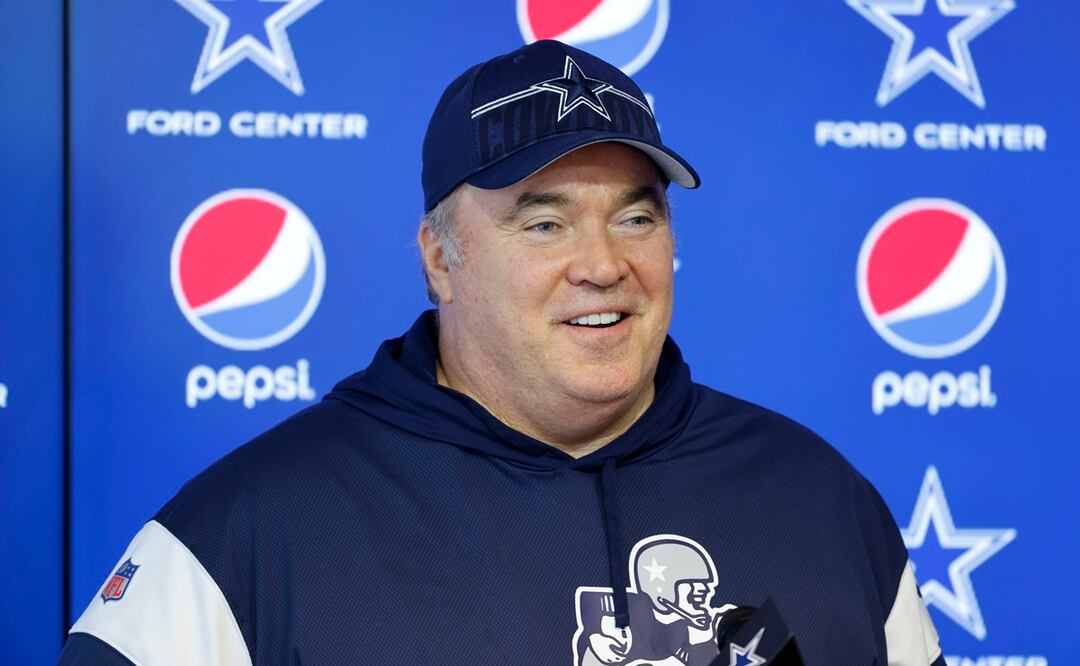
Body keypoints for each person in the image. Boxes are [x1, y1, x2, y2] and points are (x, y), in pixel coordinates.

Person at [59, 40, 944, 665]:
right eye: (545, 221)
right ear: (441, 258)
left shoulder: (821, 501)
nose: (603, 265)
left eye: (636, 215)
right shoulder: (255, 532)